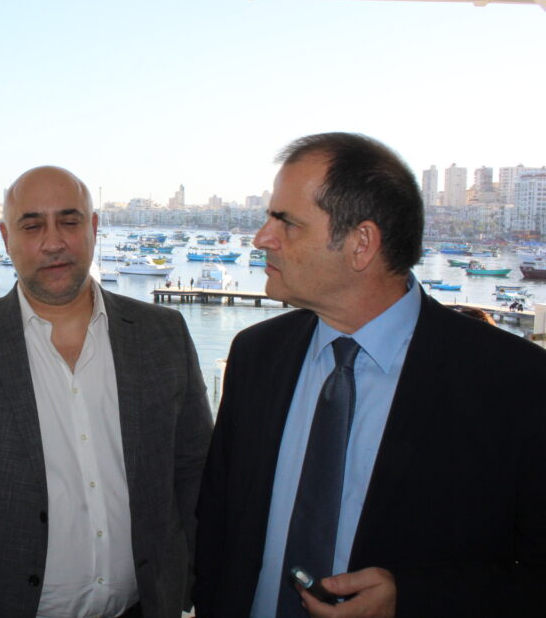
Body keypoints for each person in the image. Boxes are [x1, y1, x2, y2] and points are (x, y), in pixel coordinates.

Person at [194, 132, 546, 618]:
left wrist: (411, 599)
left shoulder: (517, 384)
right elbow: (218, 522)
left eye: (286, 222)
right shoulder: (256, 354)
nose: (261, 238)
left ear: (361, 244)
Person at [0, 165, 213, 618]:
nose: (53, 242)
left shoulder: (163, 334)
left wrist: (194, 579)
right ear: (6, 237)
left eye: (69, 221)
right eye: (32, 225)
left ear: (94, 227)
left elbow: (195, 468)